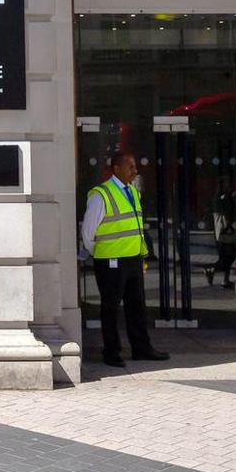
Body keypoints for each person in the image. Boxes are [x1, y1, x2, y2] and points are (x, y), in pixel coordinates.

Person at [80, 149, 169, 368]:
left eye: (135, 166)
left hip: (133, 259)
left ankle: (142, 348)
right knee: (110, 308)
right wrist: (98, 251)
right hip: (111, 261)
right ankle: (111, 352)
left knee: (137, 307)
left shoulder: (133, 192)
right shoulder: (101, 194)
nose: (135, 170)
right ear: (116, 168)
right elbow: (88, 232)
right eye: (130, 166)